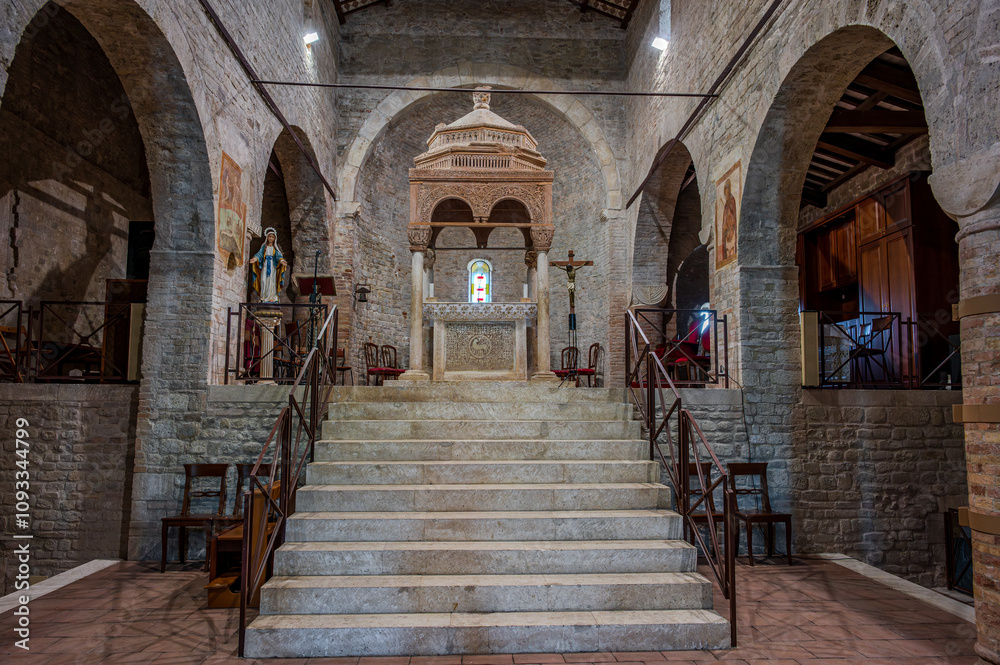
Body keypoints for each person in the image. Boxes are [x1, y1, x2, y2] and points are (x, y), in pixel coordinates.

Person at [249, 227, 288, 303]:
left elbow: (279, 256)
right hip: (265, 266)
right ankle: (263, 297)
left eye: (272, 237)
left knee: (272, 281)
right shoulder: (264, 247)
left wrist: (282, 261)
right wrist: (255, 259)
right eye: (269, 236)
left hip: (272, 267)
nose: (271, 238)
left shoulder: (275, 248)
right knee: (263, 280)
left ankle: (272, 297)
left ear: (274, 239)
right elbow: (259, 254)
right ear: (267, 237)